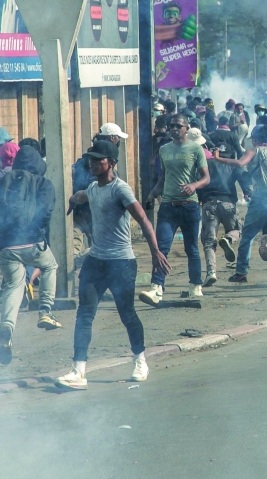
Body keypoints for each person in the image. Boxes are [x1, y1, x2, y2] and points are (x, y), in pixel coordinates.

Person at [57, 140, 168, 389]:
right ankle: (78, 371)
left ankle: (140, 361)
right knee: (84, 314)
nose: (93, 163)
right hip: (96, 261)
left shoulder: (121, 190)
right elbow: (83, 196)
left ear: (112, 163)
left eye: (99, 160)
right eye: (92, 159)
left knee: (126, 313)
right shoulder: (94, 188)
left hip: (121, 263)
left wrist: (155, 252)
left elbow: (143, 219)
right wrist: (73, 200)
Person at [0, 145, 60, 364]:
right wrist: (36, 232)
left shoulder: (4, 181)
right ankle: (45, 311)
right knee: (50, 266)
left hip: (6, 247)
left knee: (14, 286)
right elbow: (46, 212)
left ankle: (6, 327)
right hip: (33, 243)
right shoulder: (43, 183)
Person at [138, 115, 211, 306]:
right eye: (171, 126)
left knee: (191, 249)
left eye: (178, 126)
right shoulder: (164, 150)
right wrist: (152, 194)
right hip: (168, 206)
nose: (174, 129)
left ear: (186, 128)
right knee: (161, 248)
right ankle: (157, 287)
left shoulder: (196, 149)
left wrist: (194, 186)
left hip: (189, 206)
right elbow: (164, 177)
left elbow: (206, 178)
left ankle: (195, 285)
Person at [215, 125, 267, 284]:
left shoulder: (254, 151)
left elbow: (240, 164)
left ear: (254, 139)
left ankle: (241, 272)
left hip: (262, 199)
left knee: (247, 236)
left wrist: (218, 158)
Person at [197, 132, 241, 287]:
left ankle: (211, 273)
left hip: (209, 204)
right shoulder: (232, 166)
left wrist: (200, 199)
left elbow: (200, 182)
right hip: (228, 203)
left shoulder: (206, 164)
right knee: (236, 230)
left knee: (209, 242)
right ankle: (228, 239)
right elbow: (244, 179)